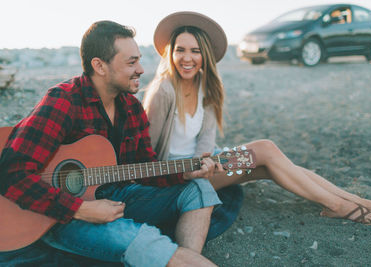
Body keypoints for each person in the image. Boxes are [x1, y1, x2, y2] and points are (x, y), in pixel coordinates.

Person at [143, 11, 371, 227]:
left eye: (195, 51)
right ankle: (338, 204)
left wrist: (206, 160)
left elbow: (206, 138)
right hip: (177, 176)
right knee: (265, 149)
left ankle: (358, 201)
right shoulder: (163, 90)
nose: (187, 58)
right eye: (180, 50)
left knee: (270, 165)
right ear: (170, 53)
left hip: (207, 164)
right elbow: (147, 153)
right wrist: (190, 170)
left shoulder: (207, 86)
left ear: (205, 55)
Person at [0, 20, 222, 267]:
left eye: (138, 60)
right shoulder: (64, 101)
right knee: (143, 239)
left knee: (200, 189)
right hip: (56, 216)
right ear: (100, 66)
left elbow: (146, 169)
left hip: (117, 197)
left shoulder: (131, 106)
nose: (140, 69)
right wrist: (80, 209)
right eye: (131, 62)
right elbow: (11, 173)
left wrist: (184, 172)